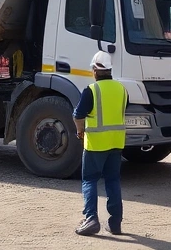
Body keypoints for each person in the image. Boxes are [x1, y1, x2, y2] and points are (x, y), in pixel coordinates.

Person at [73, 51, 129, 236]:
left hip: (96, 144)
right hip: (116, 142)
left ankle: (91, 219)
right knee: (113, 181)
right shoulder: (122, 89)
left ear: (96, 70)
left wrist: (80, 131)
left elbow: (78, 115)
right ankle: (115, 224)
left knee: (90, 180)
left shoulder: (92, 90)